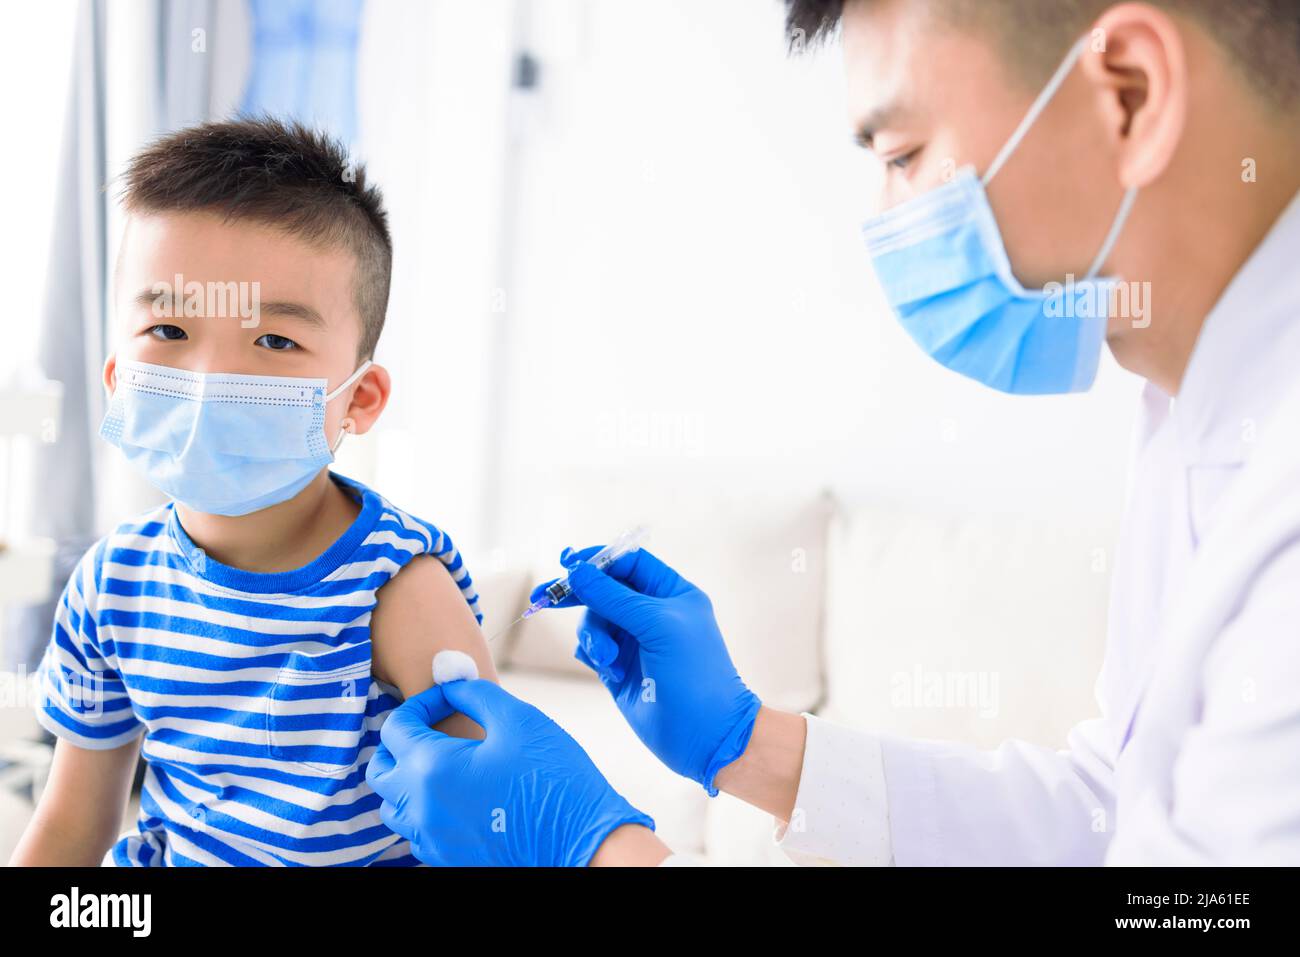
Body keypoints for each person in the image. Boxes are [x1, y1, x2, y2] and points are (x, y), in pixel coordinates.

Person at [368, 0, 1300, 865]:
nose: (889, 221)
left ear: (1129, 96)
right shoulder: (1189, 418)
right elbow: (1110, 813)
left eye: (902, 155)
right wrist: (747, 742)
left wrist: (594, 848)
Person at [5, 118, 595, 866]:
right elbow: (71, 827)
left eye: (276, 341)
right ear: (118, 376)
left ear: (361, 398)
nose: (210, 378)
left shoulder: (399, 588)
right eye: (169, 329)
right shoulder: (109, 583)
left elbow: (489, 826)